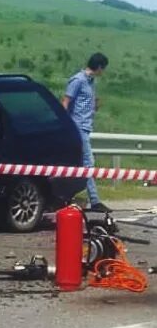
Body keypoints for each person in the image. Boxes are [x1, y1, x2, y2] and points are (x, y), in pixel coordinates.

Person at [62, 53, 110, 212]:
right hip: (77, 127)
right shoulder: (78, 80)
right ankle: (95, 201)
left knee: (79, 164)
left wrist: (94, 105)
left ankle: (67, 196)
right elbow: (66, 101)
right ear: (99, 67)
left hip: (86, 126)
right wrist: (64, 123)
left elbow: (84, 104)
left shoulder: (90, 82)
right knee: (88, 164)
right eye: (103, 68)